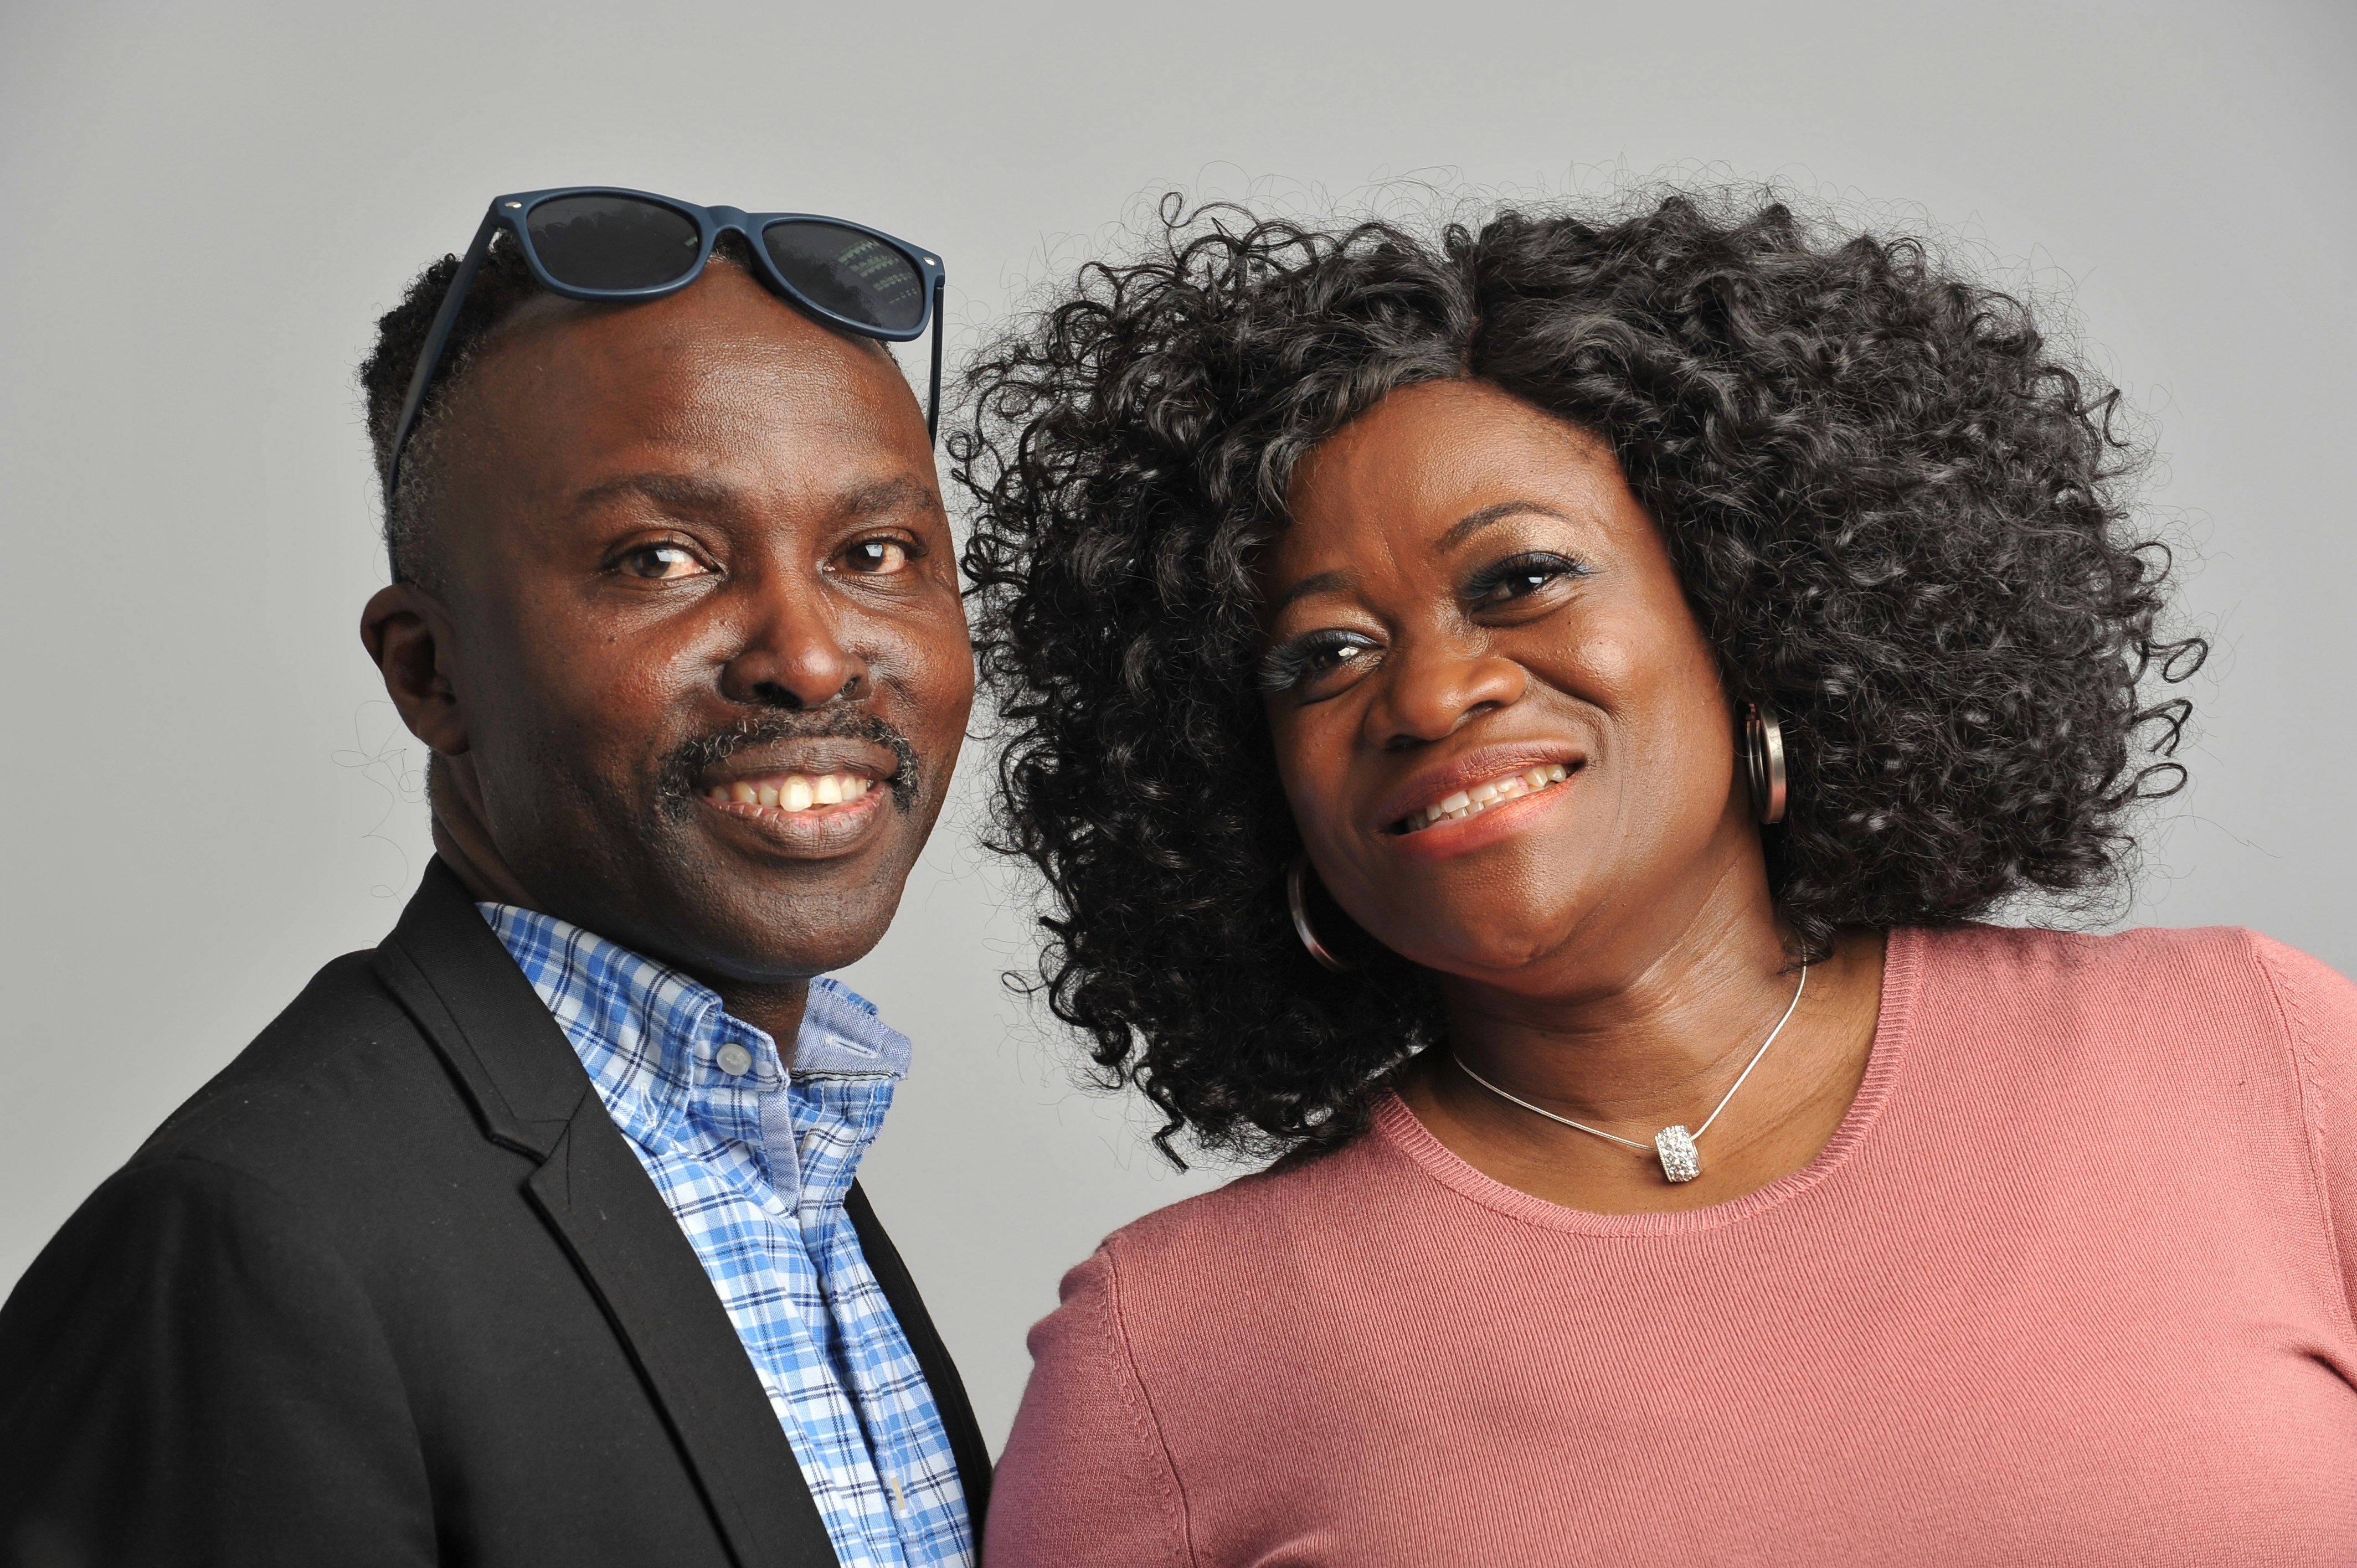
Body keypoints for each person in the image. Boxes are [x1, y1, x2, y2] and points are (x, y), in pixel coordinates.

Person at [953, 190, 2357, 1562]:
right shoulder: (1175, 1352)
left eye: (1520, 580)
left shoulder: (2249, 1055)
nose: (1431, 695)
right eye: (1325, 655)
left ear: (1749, 608)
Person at [0, 190, 988, 1567]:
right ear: (431, 672)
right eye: (661, 560)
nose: (813, 658)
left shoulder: (776, 1159)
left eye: (874, 554)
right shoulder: (253, 1243)